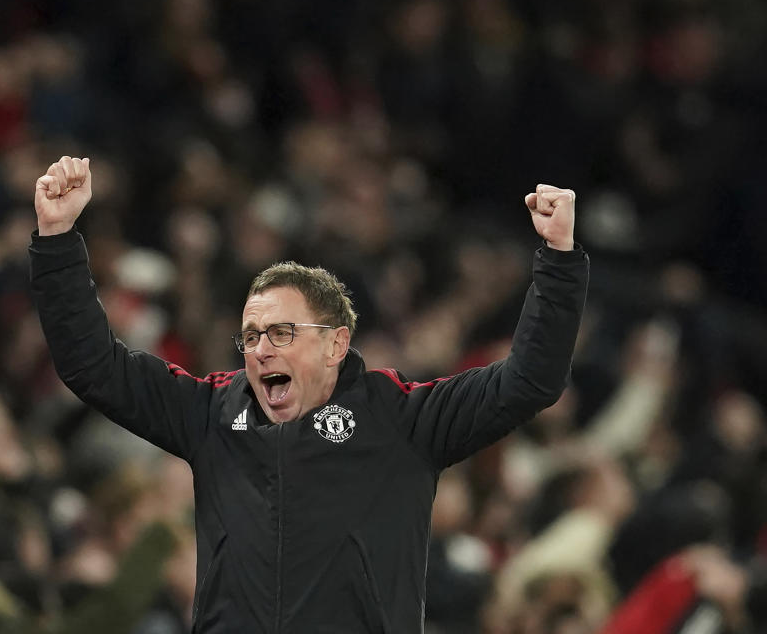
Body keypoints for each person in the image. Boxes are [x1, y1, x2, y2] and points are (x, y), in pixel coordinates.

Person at [29, 156, 589, 633]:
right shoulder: (208, 413)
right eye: (250, 336)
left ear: (335, 344)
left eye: (281, 333)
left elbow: (529, 380)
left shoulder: (405, 419)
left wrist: (559, 261)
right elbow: (93, 366)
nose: (260, 350)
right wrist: (57, 241)